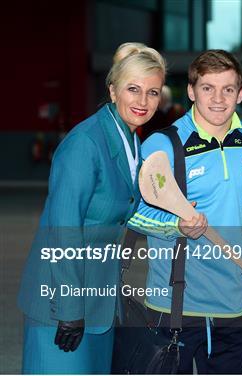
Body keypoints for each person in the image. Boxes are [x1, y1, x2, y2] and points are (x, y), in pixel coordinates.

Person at [17, 42, 166, 373]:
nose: (143, 101)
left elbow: (130, 210)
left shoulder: (132, 144)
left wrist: (180, 219)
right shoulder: (85, 144)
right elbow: (62, 231)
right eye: (133, 89)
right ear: (113, 91)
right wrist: (69, 309)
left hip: (100, 303)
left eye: (152, 92)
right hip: (62, 305)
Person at [127, 49, 242, 374]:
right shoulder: (162, 146)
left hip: (233, 306)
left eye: (228, 89)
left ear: (241, 92)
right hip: (175, 307)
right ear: (192, 91)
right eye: (208, 88)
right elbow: (134, 215)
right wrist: (176, 226)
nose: (218, 99)